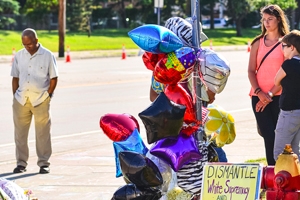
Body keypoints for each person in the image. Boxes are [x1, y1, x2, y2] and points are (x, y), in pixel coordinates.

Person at [11, 28, 58, 174]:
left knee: (43, 133)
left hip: (40, 100)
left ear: (36, 41)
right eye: (24, 44)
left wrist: (48, 95)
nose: (27, 47)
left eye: (29, 44)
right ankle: (21, 164)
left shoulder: (48, 55)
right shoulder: (19, 55)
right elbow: (15, 78)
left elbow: (54, 78)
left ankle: (44, 163)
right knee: (20, 134)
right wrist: (15, 96)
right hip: (21, 100)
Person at [149, 76, 228, 162]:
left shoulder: (161, 68)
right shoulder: (196, 65)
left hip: (172, 126)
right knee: (214, 158)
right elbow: (210, 97)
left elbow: (153, 96)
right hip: (192, 126)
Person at [247, 4, 289, 165]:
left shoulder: (286, 42)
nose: (267, 23)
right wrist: (259, 93)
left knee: (280, 137)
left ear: (278, 19)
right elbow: (251, 71)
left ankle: (284, 172)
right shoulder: (257, 42)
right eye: (264, 19)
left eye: (270, 19)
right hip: (258, 97)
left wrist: (269, 94)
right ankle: (272, 173)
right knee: (268, 135)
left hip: (279, 97)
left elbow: (287, 73)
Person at [274, 30, 300, 160]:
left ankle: (283, 180)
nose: (282, 49)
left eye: (283, 46)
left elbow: (276, 80)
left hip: (289, 112)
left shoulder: (289, 64)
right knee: (295, 152)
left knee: (280, 153)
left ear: (292, 47)